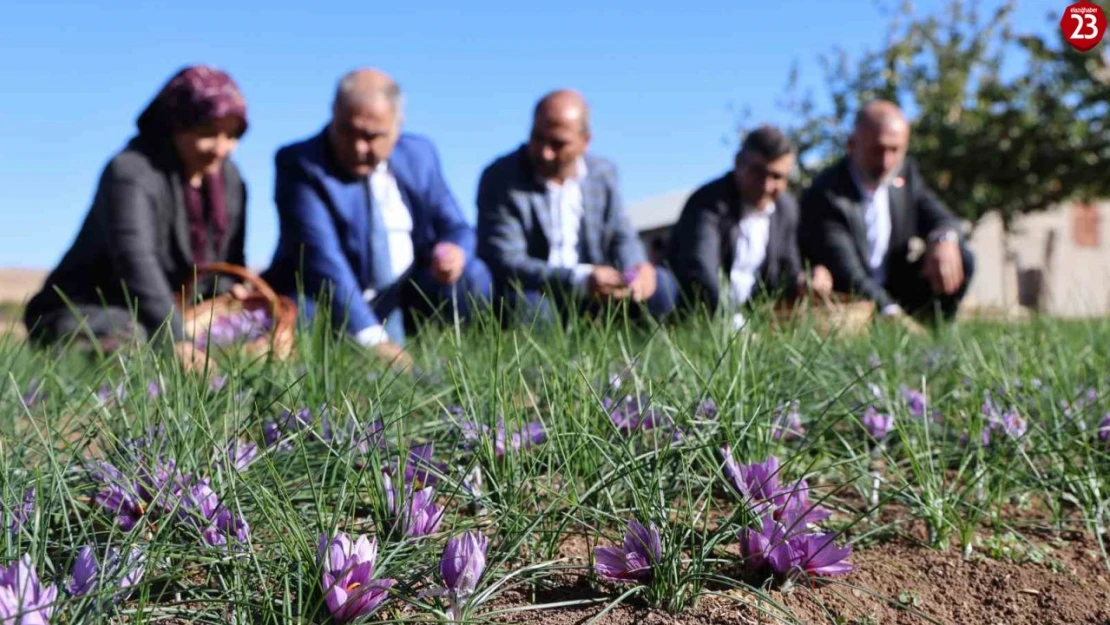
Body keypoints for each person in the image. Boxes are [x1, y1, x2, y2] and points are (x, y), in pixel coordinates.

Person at [23, 65, 251, 372]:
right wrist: (177, 338)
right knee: (134, 340)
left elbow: (227, 261)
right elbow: (135, 259)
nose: (221, 148)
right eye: (207, 133)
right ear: (176, 126)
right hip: (94, 308)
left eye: (232, 134)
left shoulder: (230, 182)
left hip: (177, 312)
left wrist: (230, 290)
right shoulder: (130, 172)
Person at [262, 68, 492, 368]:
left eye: (372, 136)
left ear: (397, 126)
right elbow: (322, 259)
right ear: (333, 114)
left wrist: (453, 250)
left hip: (405, 294)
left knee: (473, 275)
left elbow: (456, 225)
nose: (358, 147)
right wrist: (372, 339)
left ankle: (459, 362)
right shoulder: (300, 163)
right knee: (300, 315)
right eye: (347, 130)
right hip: (327, 297)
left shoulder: (420, 155)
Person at [476, 89, 677, 326]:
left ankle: (637, 356)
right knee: (529, 307)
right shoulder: (501, 177)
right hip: (540, 292)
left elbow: (621, 234)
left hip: (600, 295)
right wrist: (579, 279)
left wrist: (636, 267)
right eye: (537, 137)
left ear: (585, 141)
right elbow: (506, 259)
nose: (545, 152)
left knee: (662, 284)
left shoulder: (603, 174)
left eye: (558, 143)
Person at [797, 100, 975, 324]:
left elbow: (940, 216)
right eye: (877, 150)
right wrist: (891, 313)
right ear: (852, 145)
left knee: (961, 256)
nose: (886, 161)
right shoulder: (826, 193)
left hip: (898, 286)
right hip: (848, 302)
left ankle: (935, 333)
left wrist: (944, 238)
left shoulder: (905, 176)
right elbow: (848, 272)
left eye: (895, 150)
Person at [667, 125, 832, 328]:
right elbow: (701, 272)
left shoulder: (786, 210)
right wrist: (733, 325)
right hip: (699, 319)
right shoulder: (707, 203)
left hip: (756, 320)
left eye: (777, 177)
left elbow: (786, 271)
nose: (766, 186)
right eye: (757, 172)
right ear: (738, 164)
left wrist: (804, 280)